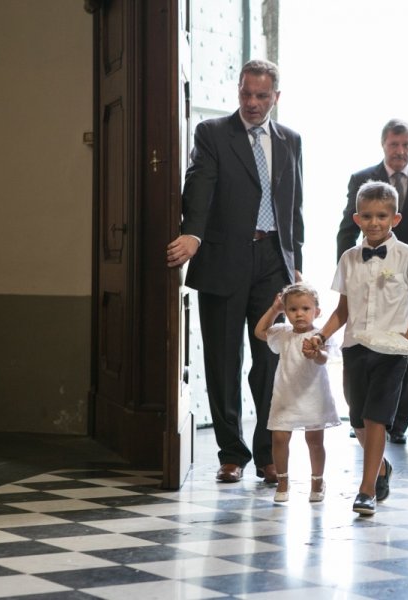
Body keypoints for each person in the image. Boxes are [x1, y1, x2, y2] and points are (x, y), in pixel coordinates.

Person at [166, 59, 304, 485]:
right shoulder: (212, 134)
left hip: (271, 264)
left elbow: (293, 205)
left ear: (276, 97)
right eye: (246, 93)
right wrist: (193, 235)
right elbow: (200, 185)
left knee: (268, 362)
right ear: (238, 91)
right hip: (224, 258)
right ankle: (231, 454)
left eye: (262, 96)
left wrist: (294, 261)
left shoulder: (291, 140)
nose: (253, 103)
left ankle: (267, 453)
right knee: (224, 361)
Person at [308, 180, 408, 515]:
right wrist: (321, 335)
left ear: (395, 218)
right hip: (355, 345)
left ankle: (367, 490)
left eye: (381, 216)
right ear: (357, 218)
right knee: (359, 419)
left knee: (377, 418)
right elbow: (342, 310)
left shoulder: (407, 257)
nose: (374, 222)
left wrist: (407, 338)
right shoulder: (348, 258)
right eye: (367, 216)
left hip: (392, 350)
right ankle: (382, 467)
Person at [336, 119, 408, 444]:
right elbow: (345, 227)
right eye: (395, 144)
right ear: (384, 144)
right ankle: (367, 420)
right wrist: (349, 263)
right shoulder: (362, 178)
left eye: (406, 144)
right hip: (368, 264)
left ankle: (397, 423)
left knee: (407, 349)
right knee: (366, 349)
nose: (400, 151)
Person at [254, 283, 341, 504]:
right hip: (286, 395)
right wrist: (274, 310)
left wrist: (316, 352)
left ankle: (317, 481)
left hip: (313, 396)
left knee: (314, 440)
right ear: (286, 311)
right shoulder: (282, 332)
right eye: (292, 309)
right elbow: (259, 332)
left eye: (305, 308)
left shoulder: (320, 335)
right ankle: (283, 482)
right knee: (280, 438)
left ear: (316, 311)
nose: (299, 314)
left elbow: (324, 359)